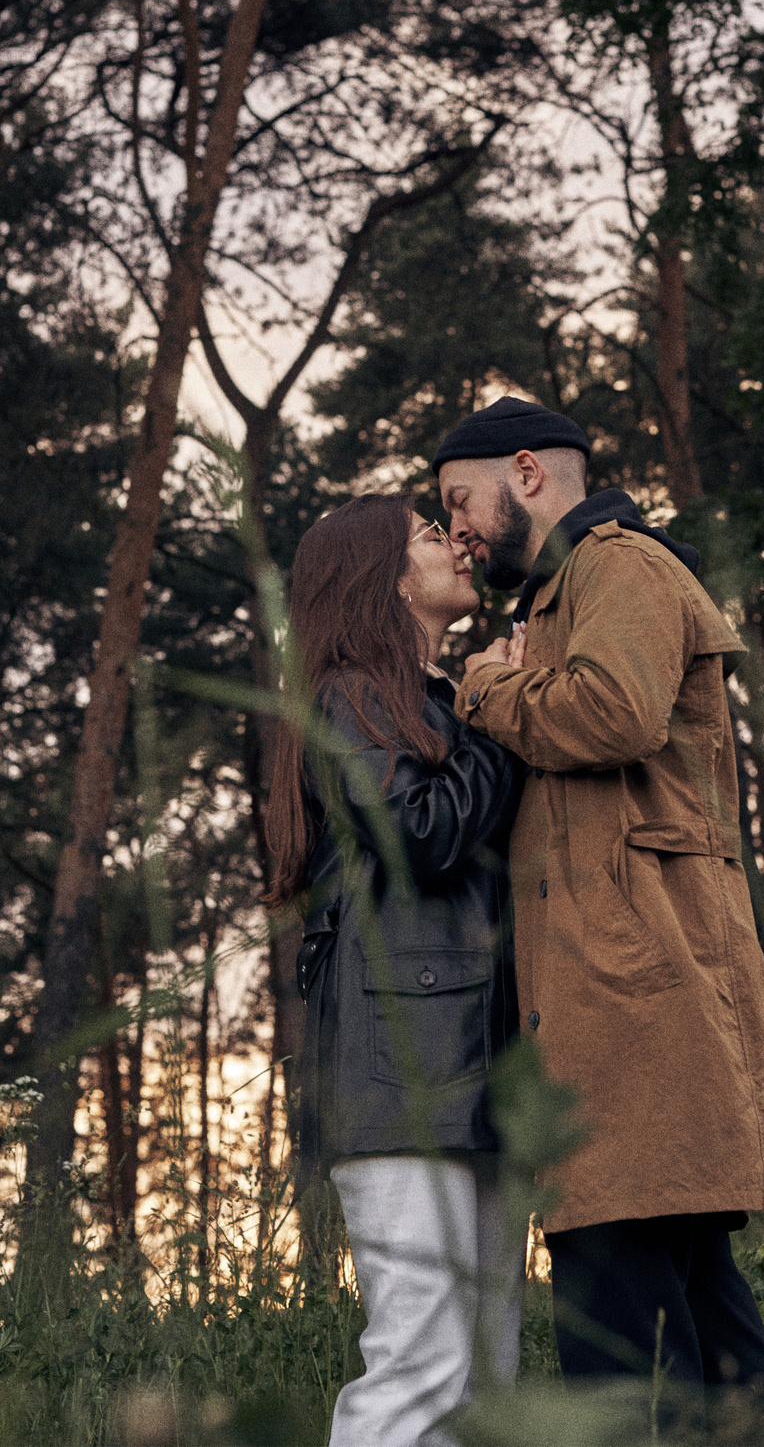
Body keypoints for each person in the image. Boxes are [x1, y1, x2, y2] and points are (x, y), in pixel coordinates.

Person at [434, 395, 764, 1415]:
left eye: (460, 500)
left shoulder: (620, 565)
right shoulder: (559, 596)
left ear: (528, 473)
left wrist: (481, 689)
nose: (457, 529)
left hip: (640, 1017)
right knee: (703, 1335)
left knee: (622, 1357)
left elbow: (614, 714)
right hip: (610, 1024)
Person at [266, 494, 526, 1446]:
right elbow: (418, 830)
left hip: (477, 1073)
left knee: (485, 1378)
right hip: (400, 1078)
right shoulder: (348, 694)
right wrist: (498, 717)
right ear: (384, 580)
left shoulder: (433, 697)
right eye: (428, 533)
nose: (455, 542)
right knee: (422, 1364)